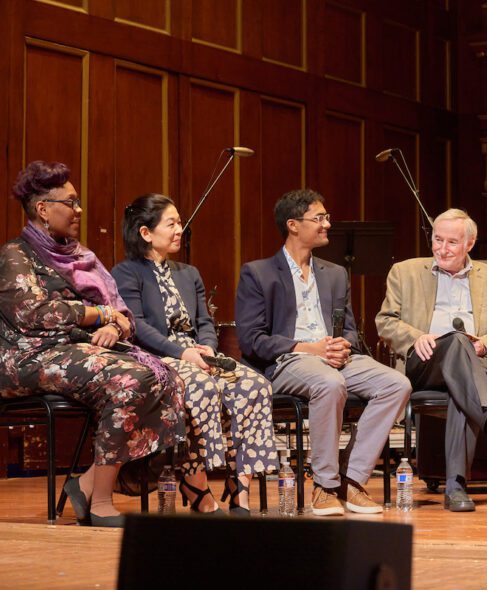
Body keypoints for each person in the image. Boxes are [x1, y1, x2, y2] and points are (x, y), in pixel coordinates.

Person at [0, 161, 185, 527]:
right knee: (129, 379)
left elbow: (124, 315)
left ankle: (85, 485)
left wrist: (115, 327)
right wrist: (98, 315)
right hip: (26, 356)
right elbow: (34, 313)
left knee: (170, 378)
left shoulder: (82, 256)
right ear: (43, 209)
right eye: (71, 202)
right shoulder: (14, 255)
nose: (79, 210)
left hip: (74, 349)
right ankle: (98, 502)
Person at [235, 189, 410, 516]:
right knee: (329, 383)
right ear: (293, 225)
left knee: (397, 384)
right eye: (319, 218)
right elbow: (252, 340)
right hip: (288, 360)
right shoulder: (258, 273)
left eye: (326, 217)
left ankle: (352, 479)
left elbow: (348, 329)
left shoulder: (335, 274)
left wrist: (344, 346)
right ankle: (324, 485)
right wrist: (308, 348)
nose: (328, 224)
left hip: (334, 359)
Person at [112, 194, 279, 516]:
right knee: (200, 386)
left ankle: (239, 485)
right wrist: (182, 352)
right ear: (146, 233)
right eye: (171, 223)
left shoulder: (189, 273)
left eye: (179, 221)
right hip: (157, 357)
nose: (180, 229)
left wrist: (208, 348)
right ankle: (195, 482)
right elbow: (138, 326)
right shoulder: (126, 273)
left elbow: (205, 321)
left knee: (254, 385)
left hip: (197, 354)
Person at [376, 208, 487, 512]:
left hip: (474, 366)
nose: (442, 249)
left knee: (460, 385)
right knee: (456, 339)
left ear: (470, 244)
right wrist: (416, 336)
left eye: (451, 243)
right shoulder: (405, 272)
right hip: (424, 362)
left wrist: (482, 345)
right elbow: (385, 321)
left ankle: (456, 488)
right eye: (437, 239)